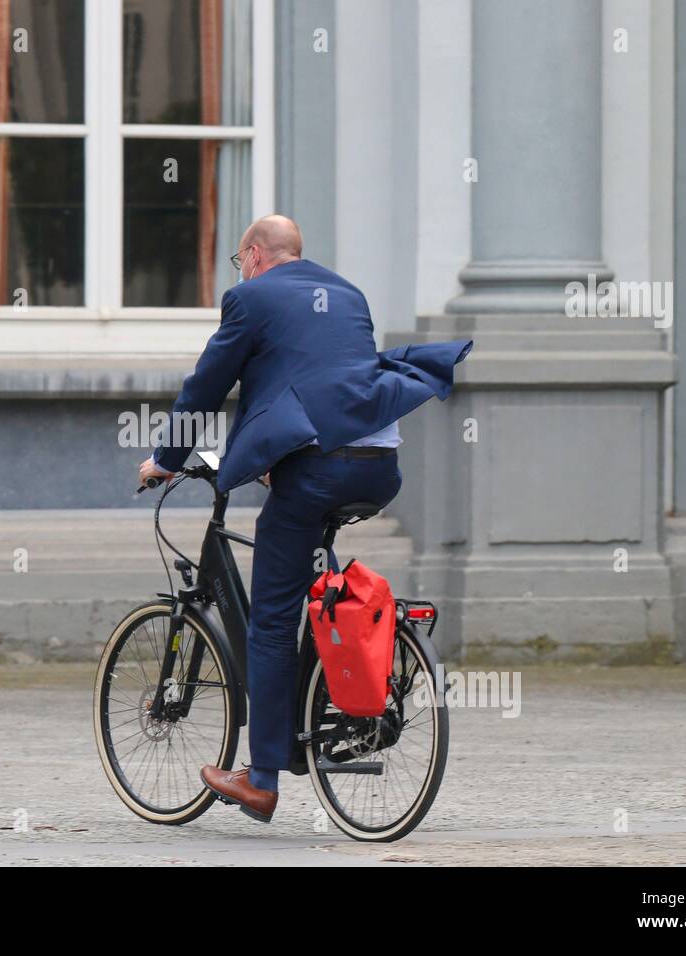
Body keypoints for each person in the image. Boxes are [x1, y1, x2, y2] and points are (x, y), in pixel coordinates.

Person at [139, 214, 471, 823]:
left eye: (240, 260)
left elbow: (205, 389)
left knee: (270, 617)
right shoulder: (347, 294)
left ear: (257, 255)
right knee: (321, 592)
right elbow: (321, 378)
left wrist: (166, 459)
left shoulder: (249, 297)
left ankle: (261, 778)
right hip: (377, 465)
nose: (239, 272)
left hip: (318, 469)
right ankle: (335, 696)